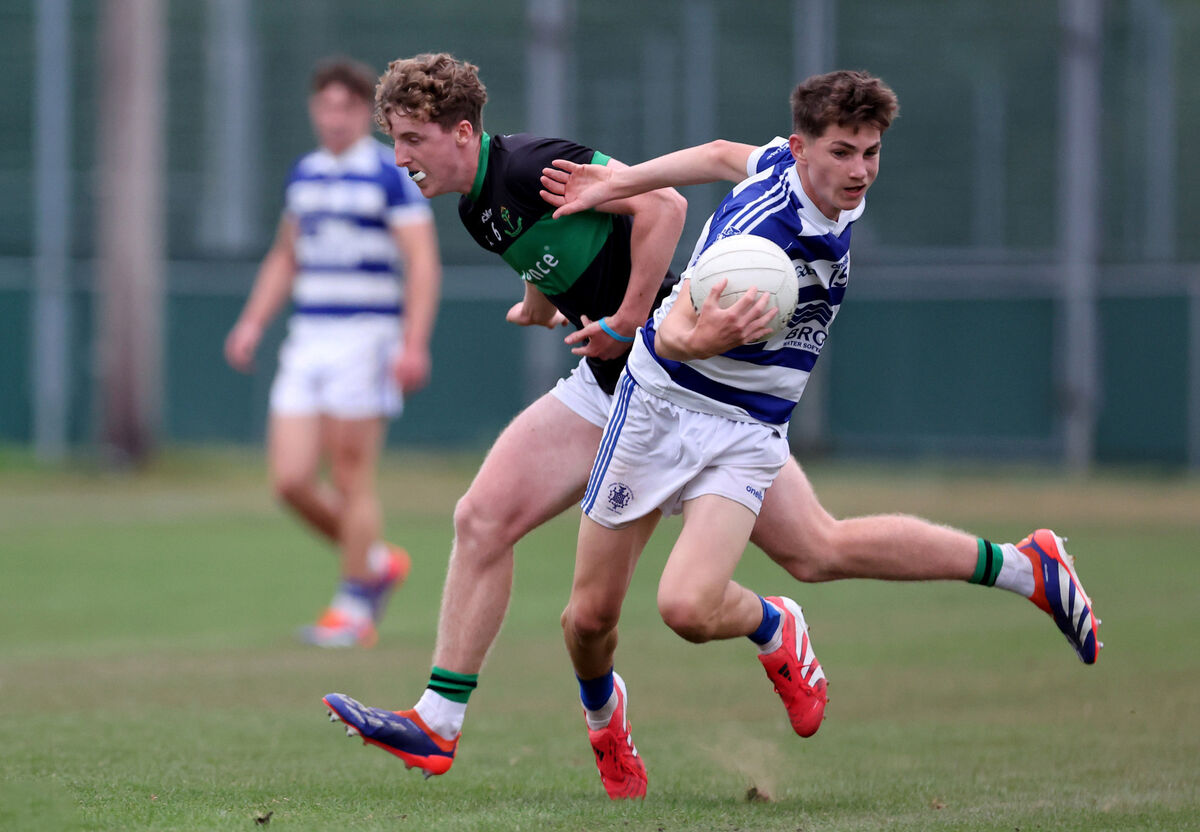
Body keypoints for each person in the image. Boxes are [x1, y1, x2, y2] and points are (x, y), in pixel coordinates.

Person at [321, 57, 1099, 797]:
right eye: (844, 152)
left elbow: (672, 286)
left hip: (696, 397)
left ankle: (981, 576)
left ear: (461, 132)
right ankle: (471, 723)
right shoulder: (487, 201)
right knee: (552, 583)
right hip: (634, 388)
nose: (860, 171)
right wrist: (550, 286)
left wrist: (634, 322)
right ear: (802, 152)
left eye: (870, 154)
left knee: (774, 570)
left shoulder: (746, 246)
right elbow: (723, 156)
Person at [224, 57, 442, 648]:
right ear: (315, 110)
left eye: (349, 108)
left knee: (350, 476)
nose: (336, 117)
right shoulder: (306, 174)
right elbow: (284, 257)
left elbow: (421, 262)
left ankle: (353, 606)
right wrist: (252, 323)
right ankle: (374, 559)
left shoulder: (388, 173)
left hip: (367, 337)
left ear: (363, 115)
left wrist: (413, 342)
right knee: (290, 480)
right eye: (327, 106)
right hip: (308, 338)